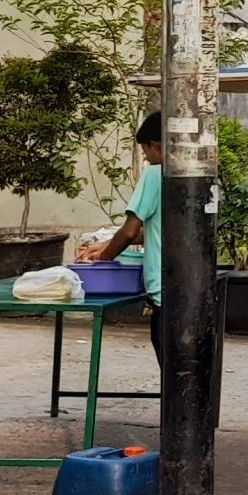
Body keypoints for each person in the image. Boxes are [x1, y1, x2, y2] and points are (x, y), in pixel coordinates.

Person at [78, 112, 166, 369]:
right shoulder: (187, 176)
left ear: (156, 146)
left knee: (169, 366)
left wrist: (103, 258)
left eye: (145, 150)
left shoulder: (154, 174)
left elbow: (129, 231)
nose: (146, 157)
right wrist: (105, 245)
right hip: (188, 291)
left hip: (163, 291)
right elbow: (154, 231)